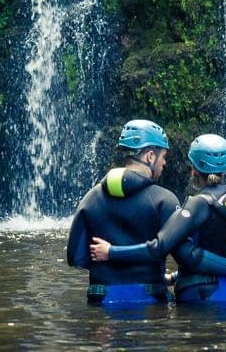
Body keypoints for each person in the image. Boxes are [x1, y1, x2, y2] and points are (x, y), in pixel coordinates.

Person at [88, 133, 226, 303]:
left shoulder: (198, 204)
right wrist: (174, 277)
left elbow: (162, 249)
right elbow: (215, 246)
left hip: (202, 294)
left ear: (194, 169)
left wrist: (111, 252)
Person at [67, 118, 180, 305]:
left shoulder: (91, 197)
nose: (164, 163)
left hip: (102, 296)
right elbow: (186, 256)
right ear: (150, 156)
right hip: (148, 298)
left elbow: (75, 257)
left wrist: (110, 266)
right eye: (163, 157)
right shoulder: (164, 199)